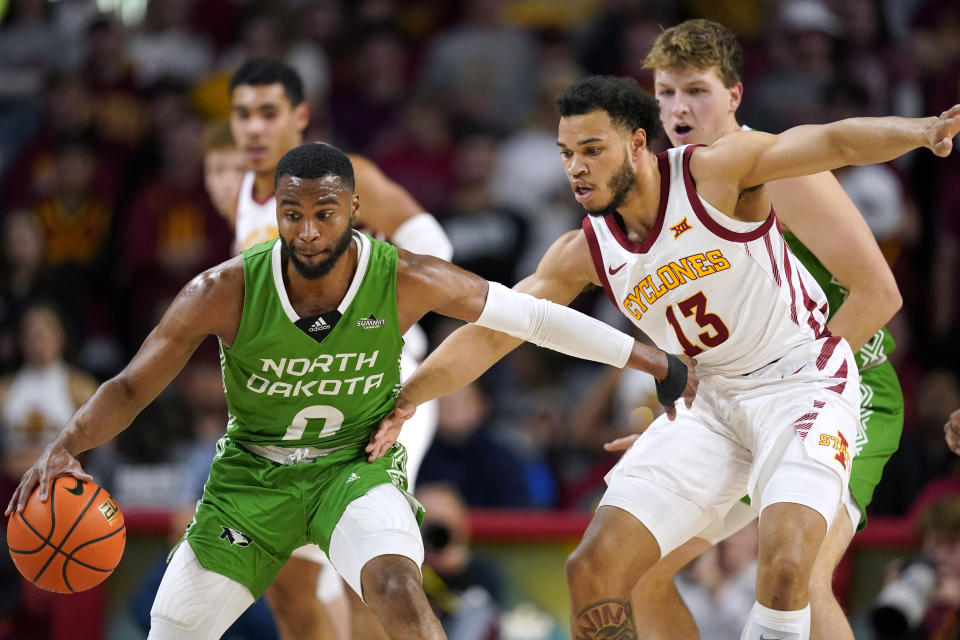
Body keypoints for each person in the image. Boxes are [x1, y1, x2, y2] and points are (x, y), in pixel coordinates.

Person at [5, 141, 696, 640]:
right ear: (273, 213)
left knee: (396, 586)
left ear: (355, 210)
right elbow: (129, 389)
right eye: (292, 214)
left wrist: (653, 361)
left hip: (354, 468)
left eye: (325, 213)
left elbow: (534, 317)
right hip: (253, 483)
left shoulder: (405, 277)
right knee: (174, 627)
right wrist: (64, 446)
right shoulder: (223, 290)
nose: (308, 232)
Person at [368, 75, 960, 640]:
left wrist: (918, 130)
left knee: (784, 573)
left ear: (638, 143)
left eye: (592, 149)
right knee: (593, 569)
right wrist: (411, 395)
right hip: (710, 404)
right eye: (566, 152)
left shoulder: (715, 172)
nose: (576, 167)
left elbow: (829, 141)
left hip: (799, 381)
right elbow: (497, 329)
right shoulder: (585, 248)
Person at [599, 18, 905, 640]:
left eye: (697, 91)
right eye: (666, 93)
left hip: (846, 383)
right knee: (642, 573)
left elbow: (879, 294)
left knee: (797, 568)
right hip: (740, 402)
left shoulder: (776, 168)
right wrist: (688, 428)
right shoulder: (663, 187)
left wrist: (790, 390)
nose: (679, 109)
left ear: (734, 96)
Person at [226, 58, 453, 640]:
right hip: (297, 398)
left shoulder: (350, 181)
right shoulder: (249, 197)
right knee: (288, 585)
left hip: (374, 380)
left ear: (300, 115)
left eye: (268, 112)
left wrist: (377, 319)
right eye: (242, 114)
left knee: (367, 567)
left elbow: (434, 246)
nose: (253, 128)